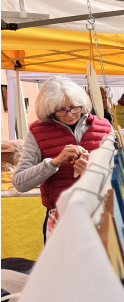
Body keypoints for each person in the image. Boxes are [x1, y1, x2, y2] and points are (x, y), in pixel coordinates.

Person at [12, 76, 112, 242]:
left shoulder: (104, 127)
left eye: (74, 108)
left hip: (101, 212)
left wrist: (93, 171)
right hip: (61, 217)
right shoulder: (38, 131)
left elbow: (121, 172)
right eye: (61, 110)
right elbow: (20, 183)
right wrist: (54, 163)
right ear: (49, 109)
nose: (70, 114)